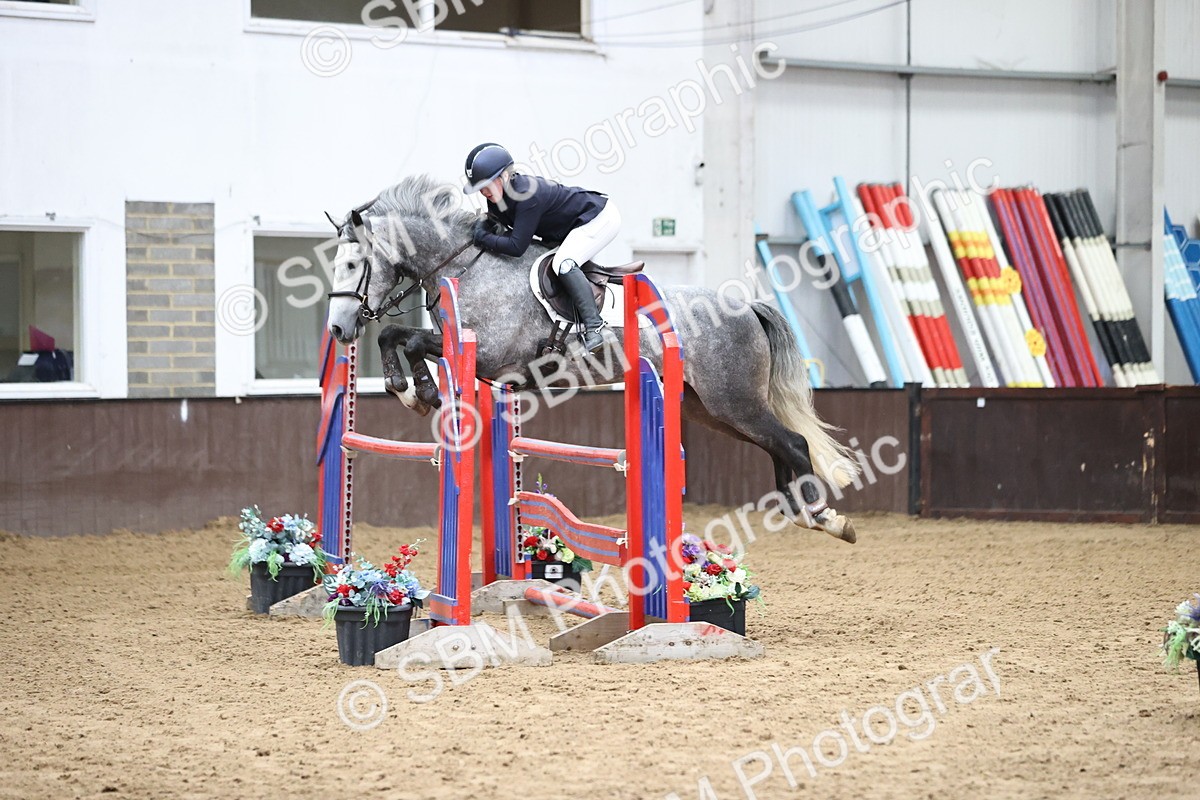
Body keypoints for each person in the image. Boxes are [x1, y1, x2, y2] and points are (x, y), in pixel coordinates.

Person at [462, 142, 620, 353]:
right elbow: (501, 228)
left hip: (599, 219)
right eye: (479, 188)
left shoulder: (527, 195)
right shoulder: (497, 197)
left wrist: (483, 238)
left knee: (564, 263)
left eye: (487, 185)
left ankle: (595, 326)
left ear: (505, 177)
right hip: (568, 227)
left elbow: (517, 247)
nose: (483, 192)